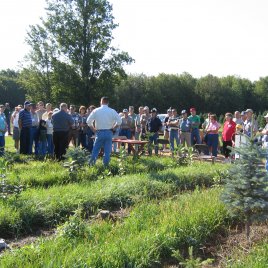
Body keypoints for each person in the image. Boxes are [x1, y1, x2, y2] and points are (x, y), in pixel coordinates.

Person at [87, 97, 122, 166]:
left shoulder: (96, 110)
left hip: (99, 132)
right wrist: (113, 128)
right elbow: (119, 121)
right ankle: (105, 166)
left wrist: (93, 129)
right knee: (107, 151)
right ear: (108, 103)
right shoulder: (112, 111)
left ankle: (91, 165)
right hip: (109, 132)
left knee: (95, 150)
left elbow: (88, 121)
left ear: (101, 102)